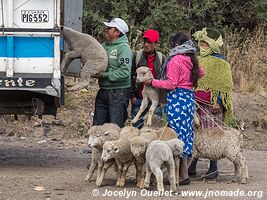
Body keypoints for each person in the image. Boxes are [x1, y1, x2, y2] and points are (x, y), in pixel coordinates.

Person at [144, 32, 204, 185]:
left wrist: (153, 82)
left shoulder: (175, 60)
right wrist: (187, 81)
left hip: (177, 100)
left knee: (176, 136)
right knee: (186, 136)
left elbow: (171, 84)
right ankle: (183, 173)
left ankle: (181, 175)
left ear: (177, 45)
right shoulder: (191, 59)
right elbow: (201, 73)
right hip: (188, 99)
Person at [188, 28, 236, 179]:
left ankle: (213, 168)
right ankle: (192, 165)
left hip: (213, 105)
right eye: (200, 43)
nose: (201, 46)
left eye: (205, 43)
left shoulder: (222, 63)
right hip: (196, 103)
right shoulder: (197, 59)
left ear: (212, 44)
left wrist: (219, 101)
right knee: (197, 133)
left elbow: (225, 85)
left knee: (212, 135)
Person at [92, 18, 132, 128]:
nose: (106, 30)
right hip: (103, 91)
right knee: (98, 127)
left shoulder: (124, 48)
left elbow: (124, 72)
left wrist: (103, 75)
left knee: (114, 128)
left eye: (109, 28)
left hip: (118, 93)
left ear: (117, 32)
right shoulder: (103, 46)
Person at [131, 29, 166, 128]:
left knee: (154, 130)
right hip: (139, 98)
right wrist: (132, 96)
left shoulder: (161, 58)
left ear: (156, 44)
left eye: (149, 42)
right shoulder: (137, 56)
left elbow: (164, 78)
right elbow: (130, 75)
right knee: (136, 129)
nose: (146, 44)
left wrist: (162, 99)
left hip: (155, 100)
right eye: (144, 41)